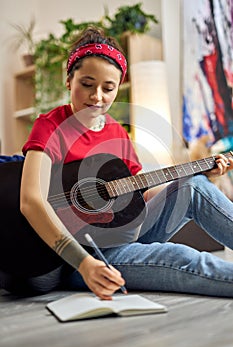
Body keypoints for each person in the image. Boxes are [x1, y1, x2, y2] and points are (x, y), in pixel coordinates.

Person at [1, 26, 233, 300]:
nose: (97, 96)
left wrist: (199, 171)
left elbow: (141, 195)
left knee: (193, 187)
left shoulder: (116, 132)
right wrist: (85, 264)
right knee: (182, 257)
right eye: (87, 84)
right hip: (74, 258)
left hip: (117, 234)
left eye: (108, 88)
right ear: (69, 80)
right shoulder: (50, 126)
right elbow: (31, 201)